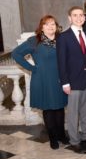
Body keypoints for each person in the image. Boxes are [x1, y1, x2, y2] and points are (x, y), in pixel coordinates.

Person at [12, 15, 68, 150]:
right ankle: (53, 138)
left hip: (60, 79)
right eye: (47, 24)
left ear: (57, 26)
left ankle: (62, 136)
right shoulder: (34, 41)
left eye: (53, 24)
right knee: (48, 109)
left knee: (60, 108)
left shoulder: (61, 39)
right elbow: (16, 54)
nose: (51, 27)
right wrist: (31, 68)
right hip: (43, 79)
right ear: (41, 27)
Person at [56, 6, 86, 154]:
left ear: (84, 18)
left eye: (81, 15)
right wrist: (65, 82)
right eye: (75, 15)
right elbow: (61, 61)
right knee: (73, 113)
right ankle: (74, 141)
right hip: (72, 82)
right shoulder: (63, 37)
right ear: (69, 18)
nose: (78, 18)